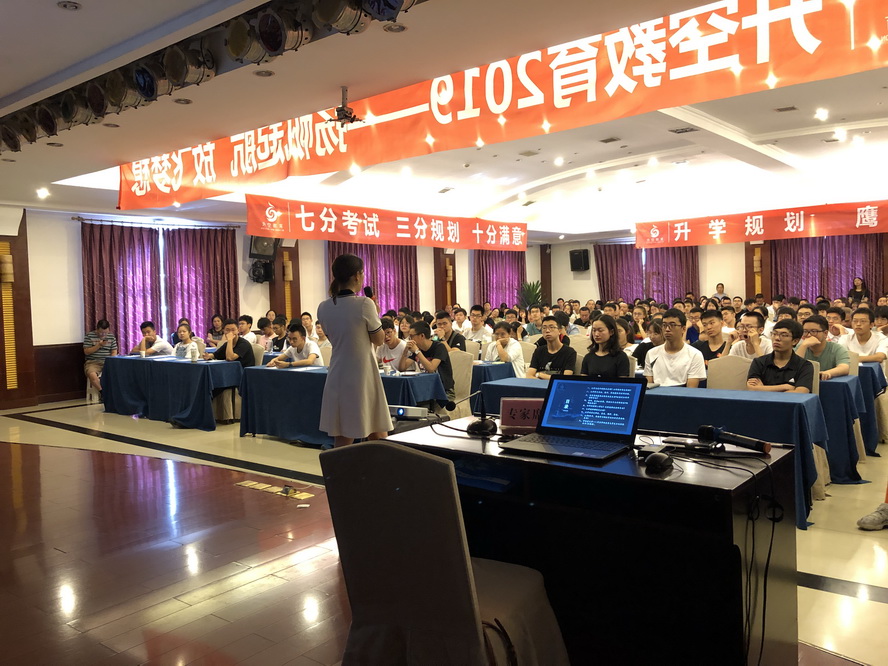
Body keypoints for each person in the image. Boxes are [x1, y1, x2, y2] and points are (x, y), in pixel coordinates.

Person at [318, 254, 391, 447]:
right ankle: (385, 464)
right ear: (357, 276)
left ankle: (343, 468)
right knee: (374, 426)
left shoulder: (323, 307)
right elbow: (379, 339)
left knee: (344, 432)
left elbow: (334, 338)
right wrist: (375, 314)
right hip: (362, 373)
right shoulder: (364, 304)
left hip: (337, 372)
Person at [643, 309, 706, 388]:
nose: (667, 329)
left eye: (672, 325)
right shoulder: (651, 353)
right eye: (664, 325)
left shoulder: (695, 355)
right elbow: (648, 386)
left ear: (683, 329)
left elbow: (691, 390)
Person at [747, 319, 813, 393]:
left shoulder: (804, 365)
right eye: (774, 334)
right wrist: (785, 387)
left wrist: (762, 388)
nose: (777, 338)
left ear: (795, 341)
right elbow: (752, 389)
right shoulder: (759, 362)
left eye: (784, 335)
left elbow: (801, 392)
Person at [404, 320, 455, 399]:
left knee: (418, 401)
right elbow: (402, 367)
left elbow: (431, 368)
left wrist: (417, 352)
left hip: (444, 391)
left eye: (412, 336)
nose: (410, 339)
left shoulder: (439, 347)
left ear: (422, 336)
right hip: (425, 388)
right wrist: (405, 351)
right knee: (407, 397)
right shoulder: (418, 348)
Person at [794, 314, 850, 380]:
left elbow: (844, 367)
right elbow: (793, 368)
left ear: (825, 333)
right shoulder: (800, 347)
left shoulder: (836, 348)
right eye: (805, 331)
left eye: (813, 331)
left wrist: (827, 373)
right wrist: (804, 346)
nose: (809, 335)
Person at [83, 319, 118, 395]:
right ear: (97, 329)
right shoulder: (89, 336)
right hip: (93, 362)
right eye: (101, 332)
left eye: (105, 333)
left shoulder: (111, 337)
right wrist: (99, 345)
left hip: (107, 361)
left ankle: (115, 393)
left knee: (119, 372)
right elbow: (87, 351)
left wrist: (111, 360)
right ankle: (103, 392)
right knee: (92, 375)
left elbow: (114, 351)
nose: (103, 335)